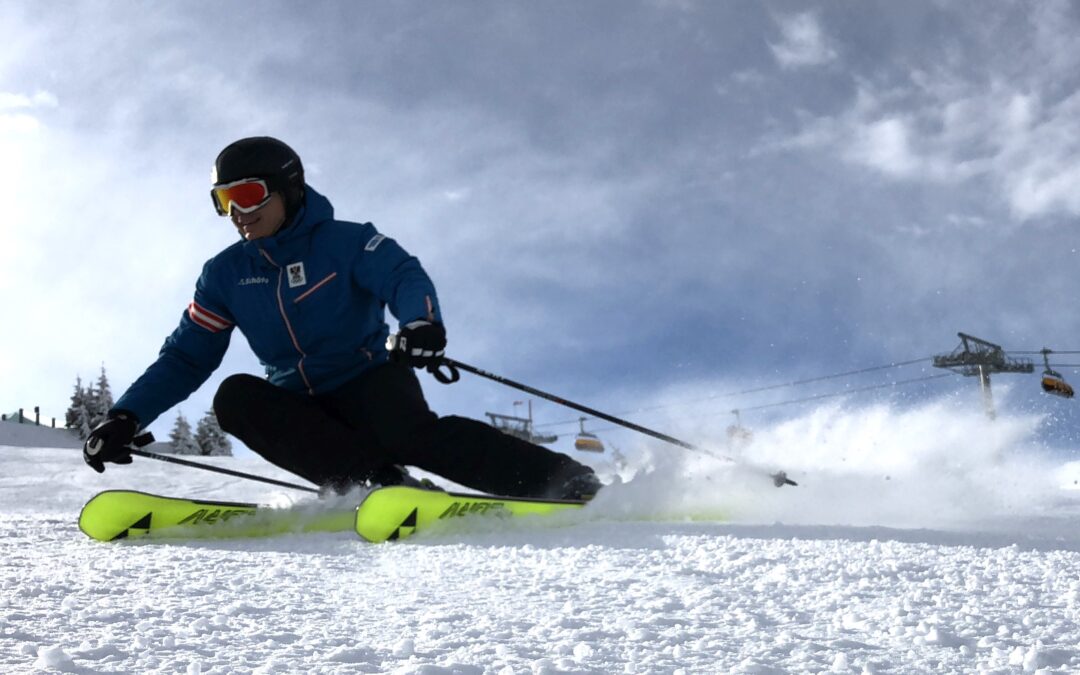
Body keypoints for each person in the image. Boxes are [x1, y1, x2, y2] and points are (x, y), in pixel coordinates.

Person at [82, 136, 601, 500]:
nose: (237, 212)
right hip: (300, 401)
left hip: (367, 377)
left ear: (288, 187)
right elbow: (186, 356)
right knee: (236, 398)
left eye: (247, 194)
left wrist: (420, 324)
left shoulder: (346, 242)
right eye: (224, 200)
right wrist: (126, 416)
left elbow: (402, 274)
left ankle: (567, 483)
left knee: (409, 434)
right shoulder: (224, 274)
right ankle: (381, 487)